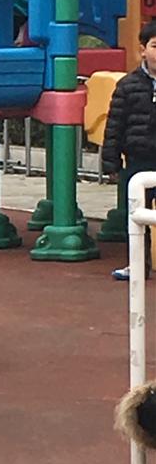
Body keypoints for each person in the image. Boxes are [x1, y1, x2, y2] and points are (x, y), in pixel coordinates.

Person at [101, 18, 156, 281]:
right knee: (135, 215)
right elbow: (115, 125)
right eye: (155, 46)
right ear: (143, 50)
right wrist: (111, 162)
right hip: (138, 160)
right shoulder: (128, 85)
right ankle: (137, 264)